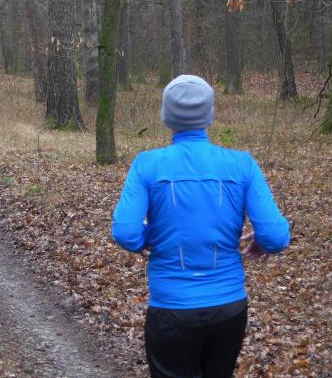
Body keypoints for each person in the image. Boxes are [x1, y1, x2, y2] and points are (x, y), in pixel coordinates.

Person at [111, 74, 290, 378]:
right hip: (228, 308)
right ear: (210, 115)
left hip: (171, 308)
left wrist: (153, 236)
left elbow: (126, 232)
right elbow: (276, 236)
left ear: (166, 117)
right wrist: (261, 239)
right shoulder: (242, 164)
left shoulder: (147, 164)